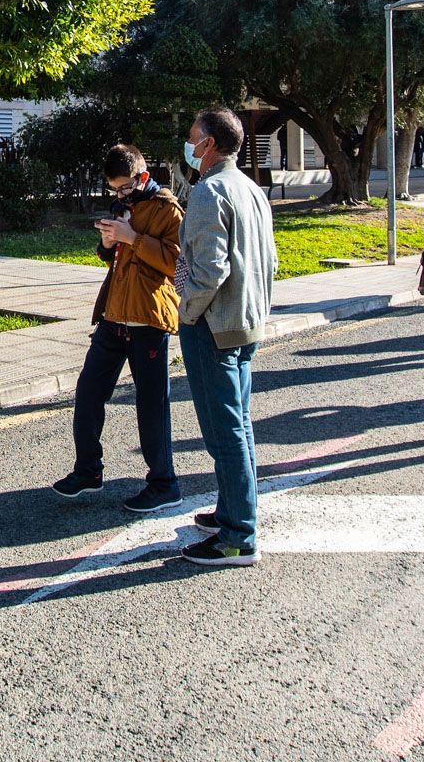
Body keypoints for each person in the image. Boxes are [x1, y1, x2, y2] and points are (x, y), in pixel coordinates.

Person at [53, 145, 185, 512]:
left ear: (143, 174)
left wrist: (132, 238)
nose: (120, 195)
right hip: (113, 318)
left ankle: (164, 482)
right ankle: (88, 470)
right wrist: (108, 244)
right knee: (89, 392)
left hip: (148, 319)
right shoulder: (122, 208)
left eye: (125, 187)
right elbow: (115, 258)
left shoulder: (167, 209)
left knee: (151, 404)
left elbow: (177, 263)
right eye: (114, 189)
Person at [173, 106, 277, 566]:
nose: (188, 145)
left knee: (224, 430)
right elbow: (270, 260)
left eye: (193, 137)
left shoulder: (207, 191)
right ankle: (232, 511)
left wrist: (186, 308)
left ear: (209, 144)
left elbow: (208, 269)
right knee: (239, 423)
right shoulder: (251, 188)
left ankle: (237, 536)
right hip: (245, 320)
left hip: (211, 326)